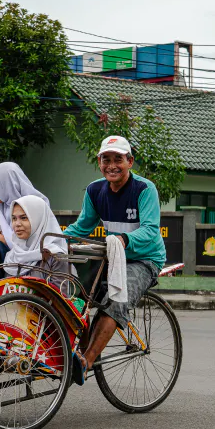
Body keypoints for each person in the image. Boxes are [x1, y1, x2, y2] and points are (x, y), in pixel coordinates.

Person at [63, 135, 166, 384]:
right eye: (106, 159)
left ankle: (85, 362)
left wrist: (124, 239)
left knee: (115, 302)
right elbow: (82, 226)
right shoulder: (95, 190)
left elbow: (151, 230)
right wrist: (55, 240)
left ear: (130, 161)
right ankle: (75, 352)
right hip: (112, 256)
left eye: (118, 159)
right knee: (76, 296)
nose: (112, 165)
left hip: (144, 259)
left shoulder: (144, 189)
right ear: (99, 162)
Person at [0, 162, 54, 265]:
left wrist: (5, 240)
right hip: (8, 260)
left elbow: (36, 242)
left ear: (6, 185)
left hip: (35, 261)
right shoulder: (0, 207)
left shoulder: (36, 205)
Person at [4, 195, 74, 292]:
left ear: (38, 219)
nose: (17, 224)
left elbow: (60, 300)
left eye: (24, 218)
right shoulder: (12, 255)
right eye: (14, 218)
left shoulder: (55, 257)